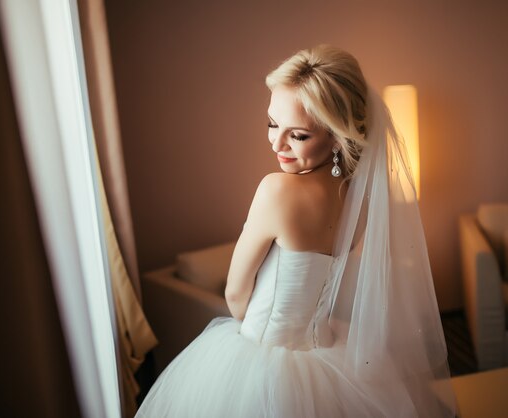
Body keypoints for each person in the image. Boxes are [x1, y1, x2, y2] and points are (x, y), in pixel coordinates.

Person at [136, 45, 456, 417]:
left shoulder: (277, 190)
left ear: (338, 136)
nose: (277, 143)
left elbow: (236, 294)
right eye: (272, 124)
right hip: (329, 359)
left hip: (260, 358)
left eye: (298, 136)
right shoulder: (359, 203)